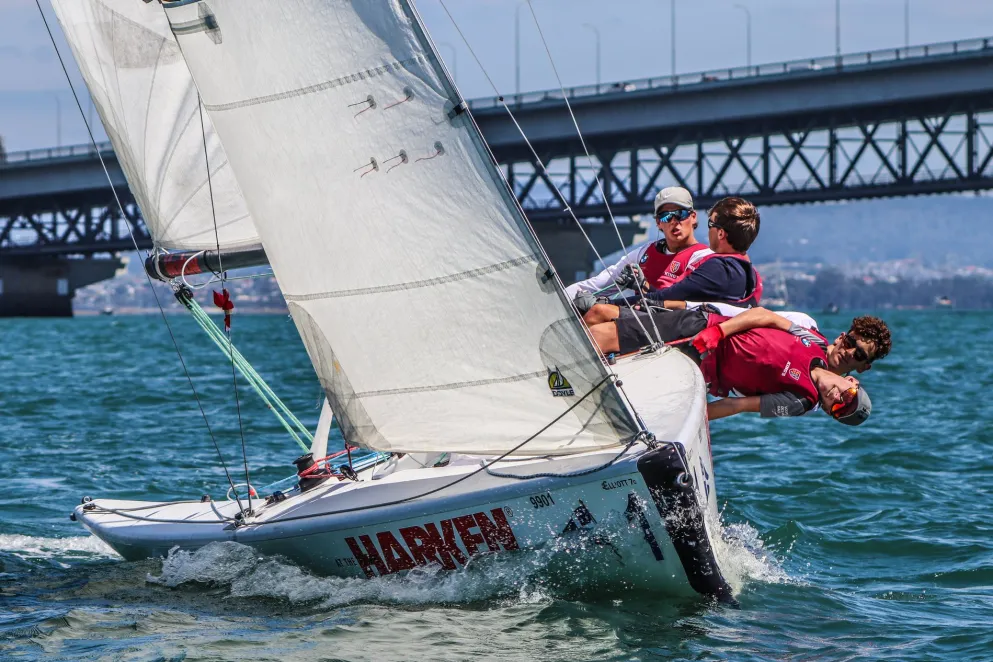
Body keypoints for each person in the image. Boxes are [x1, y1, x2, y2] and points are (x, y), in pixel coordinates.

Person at [587, 306, 890, 425]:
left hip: (701, 369)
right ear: (854, 384)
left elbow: (737, 405)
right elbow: (762, 314)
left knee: (608, 348)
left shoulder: (802, 401)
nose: (836, 402)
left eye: (838, 412)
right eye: (846, 399)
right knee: (599, 327)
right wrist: (716, 331)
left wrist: (687, 423)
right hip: (701, 327)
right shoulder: (809, 334)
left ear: (861, 370)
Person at [582, 196, 764, 334]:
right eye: (666, 216)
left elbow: (668, 298)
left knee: (597, 316)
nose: (674, 221)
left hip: (681, 330)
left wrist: (606, 302)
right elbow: (679, 298)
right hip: (691, 325)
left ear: (721, 234)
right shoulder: (749, 271)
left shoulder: (716, 267)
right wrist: (644, 287)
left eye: (711, 224)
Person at [565, 186, 712, 306]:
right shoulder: (643, 254)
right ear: (658, 223)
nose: (674, 221)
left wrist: (642, 286)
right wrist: (557, 300)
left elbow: (688, 304)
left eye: (680, 213)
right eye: (666, 216)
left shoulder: (705, 258)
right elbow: (596, 286)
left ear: (693, 217)